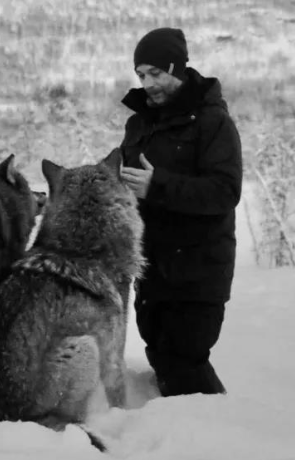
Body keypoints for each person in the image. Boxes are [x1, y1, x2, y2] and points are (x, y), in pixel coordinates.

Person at [118, 27, 243, 397]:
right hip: (151, 269)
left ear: (178, 67)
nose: (148, 83)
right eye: (141, 74)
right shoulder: (139, 122)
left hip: (197, 272)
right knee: (161, 357)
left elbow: (225, 191)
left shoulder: (212, 122)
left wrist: (159, 187)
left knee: (185, 363)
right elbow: (124, 174)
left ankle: (218, 436)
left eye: (156, 73)